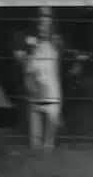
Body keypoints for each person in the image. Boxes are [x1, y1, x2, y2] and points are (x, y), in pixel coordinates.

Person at [15, 8, 63, 149]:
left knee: (49, 143)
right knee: (35, 142)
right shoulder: (30, 45)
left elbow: (57, 72)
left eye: (46, 24)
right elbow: (26, 69)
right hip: (35, 98)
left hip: (53, 97)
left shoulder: (55, 44)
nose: (42, 27)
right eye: (40, 24)